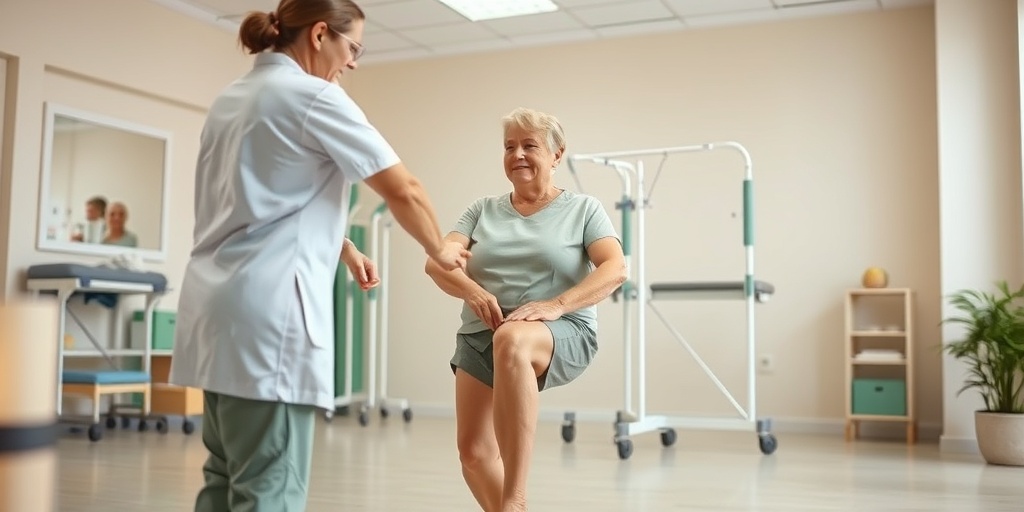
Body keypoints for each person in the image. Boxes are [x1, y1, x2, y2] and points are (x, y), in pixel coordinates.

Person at [168, 1, 470, 510]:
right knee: (270, 490)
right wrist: (439, 249)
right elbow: (406, 191)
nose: (353, 63)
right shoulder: (314, 96)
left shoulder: (231, 98)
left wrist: (343, 245)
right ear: (320, 34)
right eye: (353, 48)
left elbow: (258, 199)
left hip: (212, 313)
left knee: (224, 481)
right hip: (270, 320)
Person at [424, 107, 627, 512]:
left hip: (560, 329)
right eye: (509, 147)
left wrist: (556, 305)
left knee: (512, 340)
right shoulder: (481, 210)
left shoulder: (583, 210)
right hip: (483, 333)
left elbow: (616, 268)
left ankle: (516, 499)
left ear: (556, 155)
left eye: (529, 145)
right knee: (474, 455)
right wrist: (473, 291)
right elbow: (437, 262)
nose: (517, 154)